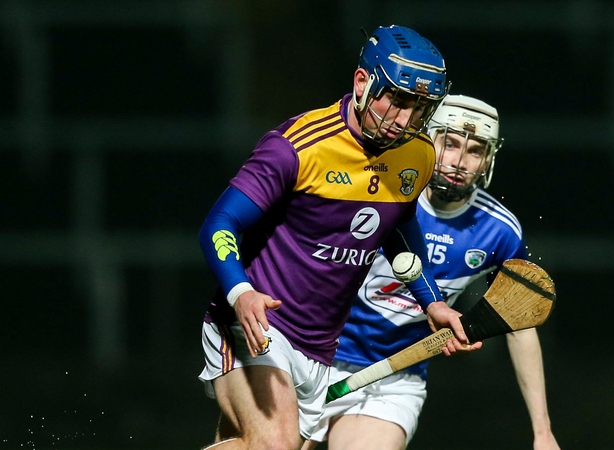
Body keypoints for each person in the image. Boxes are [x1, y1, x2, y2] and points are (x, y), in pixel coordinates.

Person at [196, 25, 478, 450]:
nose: (405, 120)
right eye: (397, 101)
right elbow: (218, 225)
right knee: (276, 444)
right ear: (362, 82)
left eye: (420, 108)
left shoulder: (417, 155)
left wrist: (431, 300)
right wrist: (241, 293)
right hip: (255, 323)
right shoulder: (296, 146)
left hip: (320, 347)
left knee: (248, 443)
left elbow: (399, 228)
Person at [304, 94, 561, 450]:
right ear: (427, 139)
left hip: (393, 378)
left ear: (488, 158)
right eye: (451, 143)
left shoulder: (499, 229)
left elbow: (518, 323)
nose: (459, 161)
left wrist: (542, 431)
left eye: (475, 151)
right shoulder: (381, 189)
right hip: (313, 357)